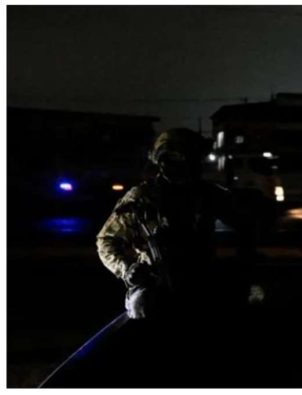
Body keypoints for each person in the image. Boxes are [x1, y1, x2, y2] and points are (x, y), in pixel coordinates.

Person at [94, 128, 257, 385]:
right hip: (157, 289)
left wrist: (241, 268)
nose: (181, 166)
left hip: (201, 285)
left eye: (187, 159)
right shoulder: (142, 198)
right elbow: (107, 241)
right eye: (173, 159)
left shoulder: (209, 194)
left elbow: (247, 227)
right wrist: (127, 269)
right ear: (161, 162)